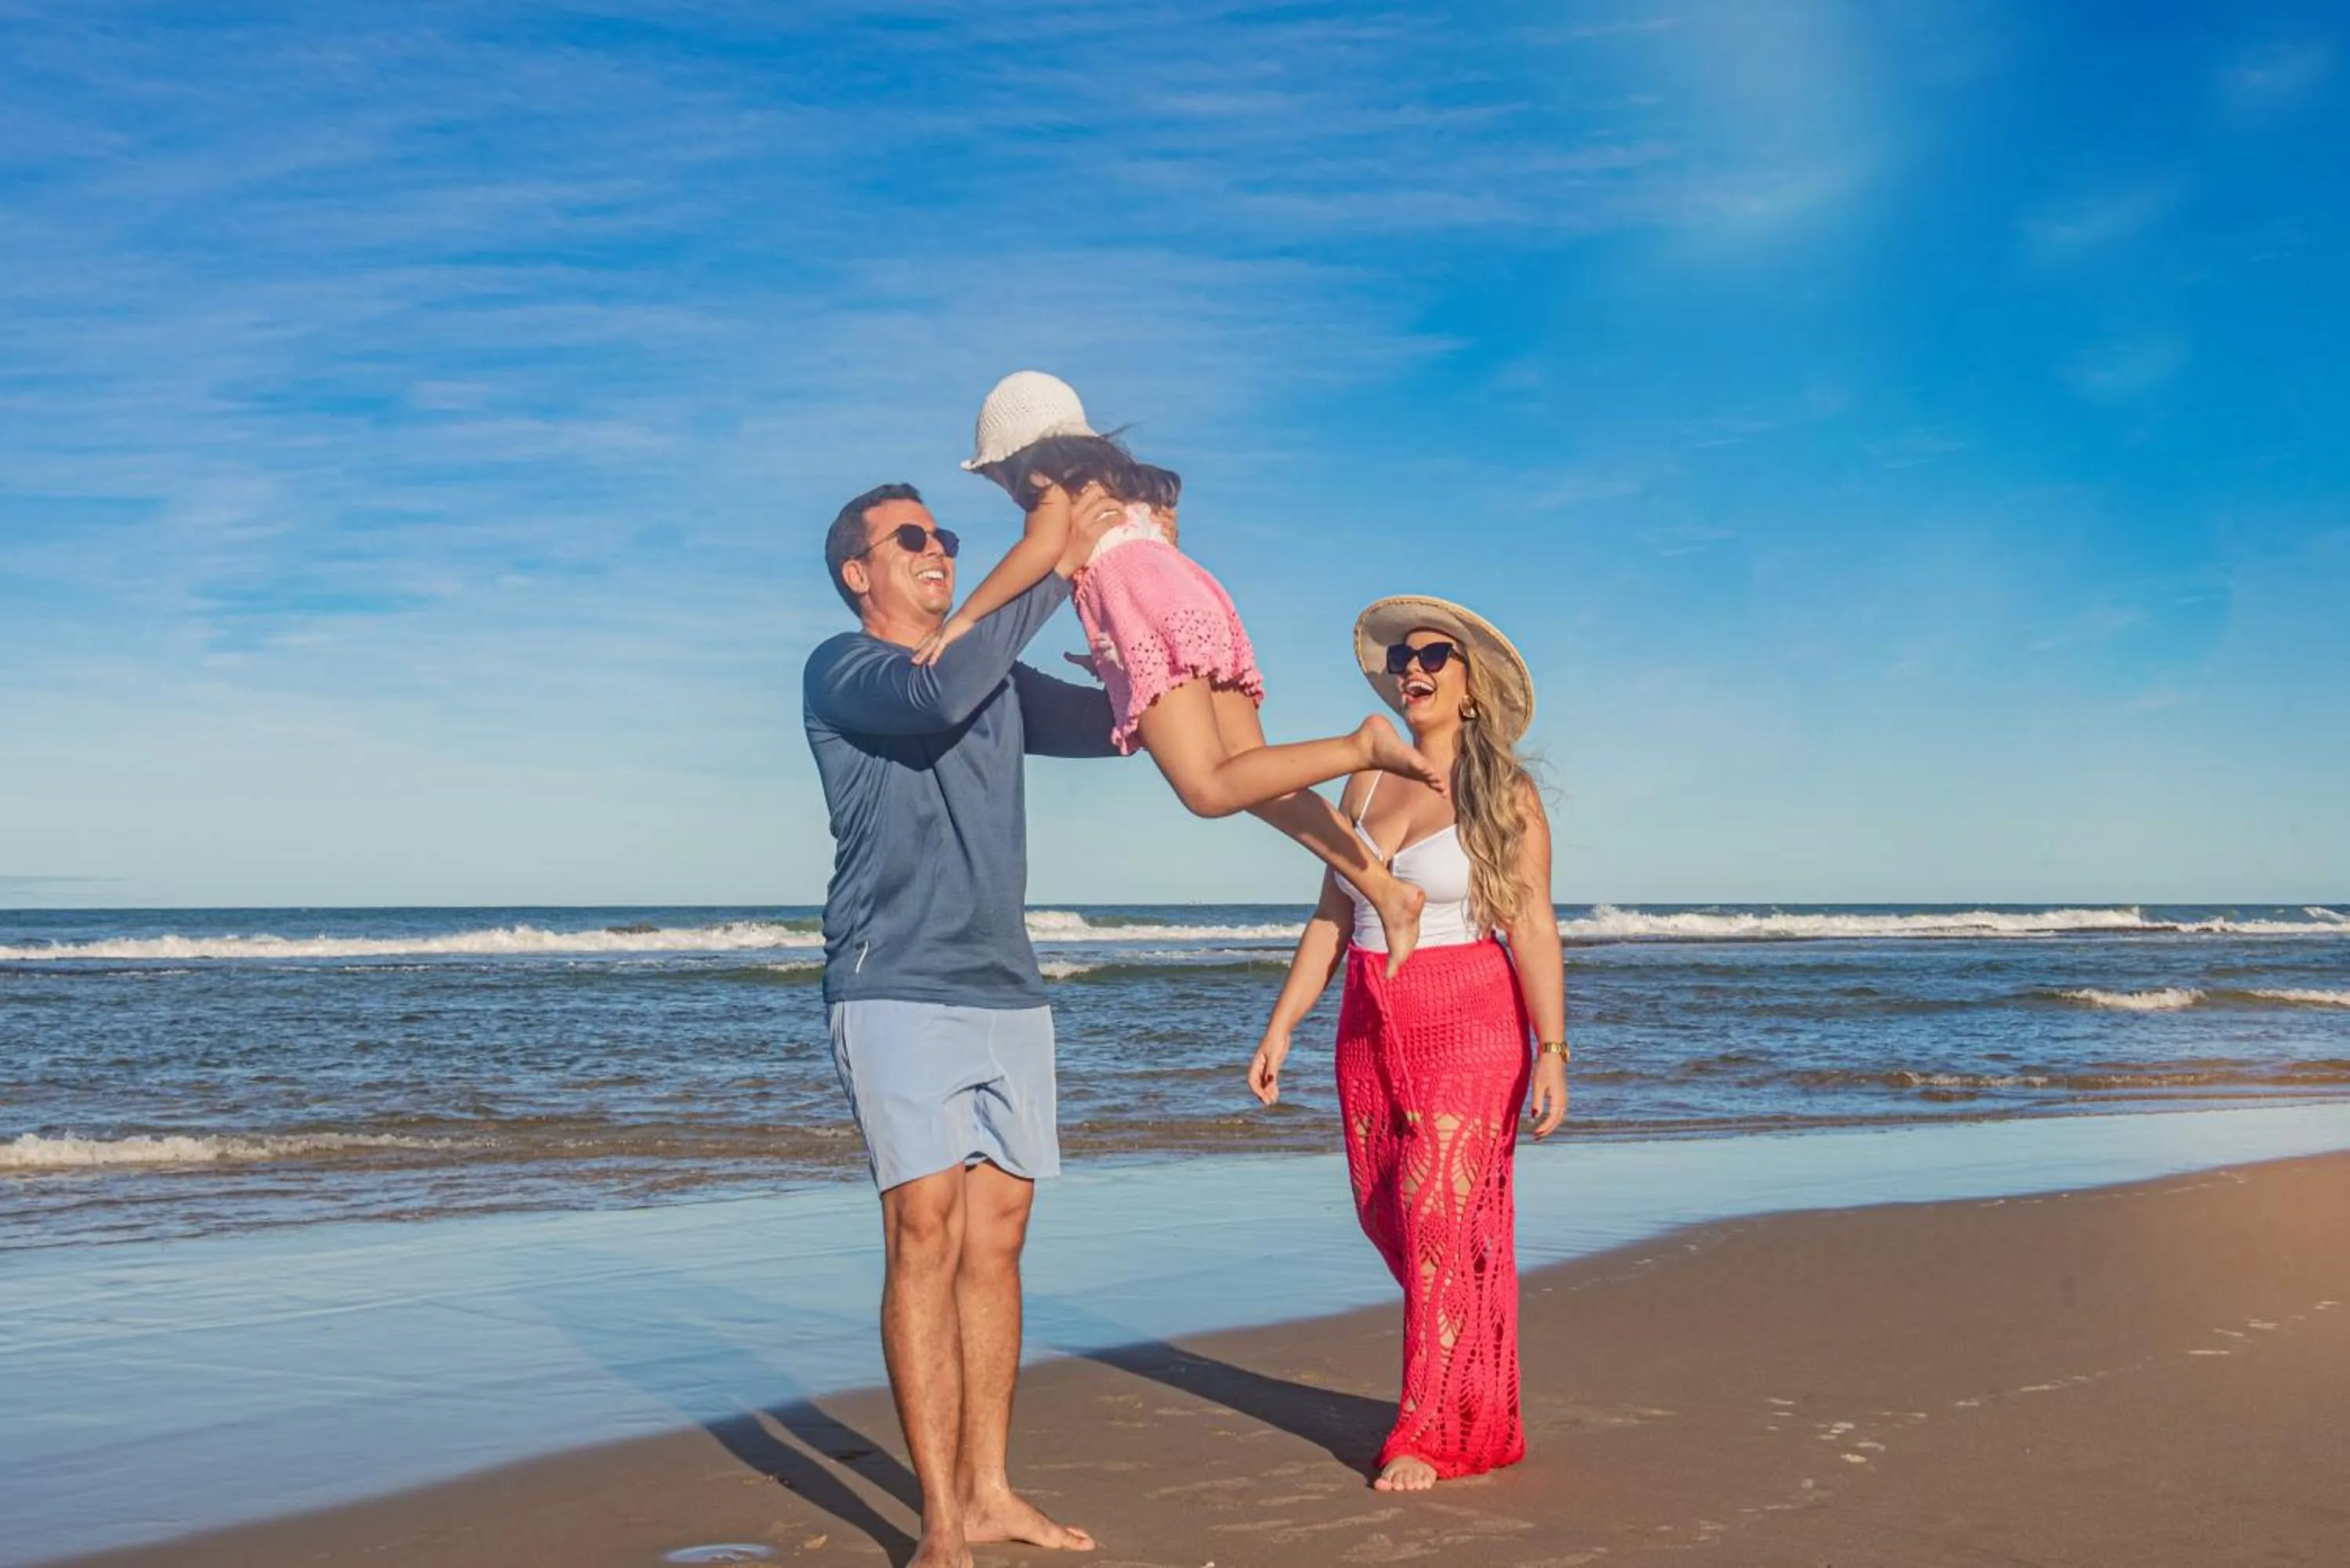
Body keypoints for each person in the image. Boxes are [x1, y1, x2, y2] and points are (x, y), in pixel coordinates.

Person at [803, 479, 1129, 1567]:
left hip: (1008, 986)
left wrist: (1131, 601)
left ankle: (991, 1489)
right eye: (913, 539)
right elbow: (940, 697)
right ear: (860, 572)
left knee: (999, 1241)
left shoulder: (989, 670)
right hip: (892, 981)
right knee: (926, 1228)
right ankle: (941, 1520)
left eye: (947, 535)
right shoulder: (848, 670)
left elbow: (1118, 725)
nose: (939, 548)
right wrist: (1044, 549)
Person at [913, 370, 1441, 972]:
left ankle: (1360, 746)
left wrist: (965, 621)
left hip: (1155, 610)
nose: (1003, 486)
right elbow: (1149, 552)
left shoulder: (1049, 479)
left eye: (995, 473)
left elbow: (1039, 555)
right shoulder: (1120, 482)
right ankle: (1386, 891)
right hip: (1198, 600)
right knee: (1259, 781)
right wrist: (1119, 655)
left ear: (1018, 453)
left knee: (1207, 790)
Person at [1247, 596, 1570, 1491]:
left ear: (1470, 682)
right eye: (1401, 659)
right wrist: (1283, 1022)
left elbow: (1534, 921)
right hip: (1368, 1016)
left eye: (1433, 655)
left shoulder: (1503, 791)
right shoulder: (1363, 779)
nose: (1412, 669)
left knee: (1440, 1220)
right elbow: (1329, 913)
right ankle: (1478, 1395)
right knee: (1387, 1209)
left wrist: (1554, 1048)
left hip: (1471, 1014)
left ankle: (1428, 1432)